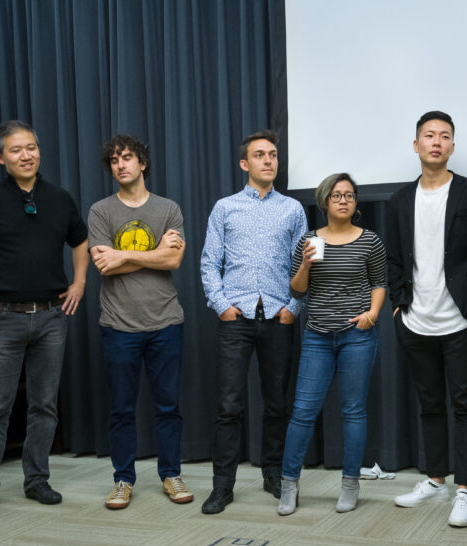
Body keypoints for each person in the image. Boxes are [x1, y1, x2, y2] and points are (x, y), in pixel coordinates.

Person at [0, 120, 89, 519]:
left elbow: (80, 241)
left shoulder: (59, 198)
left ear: (38, 151)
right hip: (2, 319)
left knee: (44, 405)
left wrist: (78, 282)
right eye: (15, 150)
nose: (25, 155)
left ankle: (36, 479)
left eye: (31, 148)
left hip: (50, 317)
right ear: (1, 158)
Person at [385, 111, 467, 527]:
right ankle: (435, 480)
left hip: (461, 319)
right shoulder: (397, 201)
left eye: (445, 136)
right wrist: (397, 305)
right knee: (430, 404)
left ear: (452, 146)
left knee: (465, 404)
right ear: (416, 145)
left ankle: (464, 489)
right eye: (428, 135)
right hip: (414, 320)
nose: (436, 142)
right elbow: (393, 259)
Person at [199, 129, 308, 514]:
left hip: (278, 317)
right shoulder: (225, 207)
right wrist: (221, 305)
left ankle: (273, 474)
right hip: (236, 317)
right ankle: (222, 486)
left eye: (273, 154)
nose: (268, 160)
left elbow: (304, 265)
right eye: (260, 155)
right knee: (229, 405)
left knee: (277, 403)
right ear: (245, 164)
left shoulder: (293, 210)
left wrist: (293, 308)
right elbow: (210, 262)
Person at [88, 134, 191, 510]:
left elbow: (173, 262)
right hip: (118, 324)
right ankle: (122, 479)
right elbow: (103, 263)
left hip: (166, 322)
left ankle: (171, 474)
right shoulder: (100, 211)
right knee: (121, 407)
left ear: (142, 163)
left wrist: (122, 255)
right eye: (114, 160)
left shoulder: (169, 208)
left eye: (128, 157)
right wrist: (155, 252)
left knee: (168, 406)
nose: (121, 165)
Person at [277, 173, 386, 515]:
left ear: (355, 204)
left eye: (349, 196)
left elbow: (380, 282)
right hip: (317, 336)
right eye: (337, 195)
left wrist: (372, 314)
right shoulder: (309, 240)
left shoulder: (370, 241)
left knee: (353, 411)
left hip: (357, 336)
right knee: (303, 412)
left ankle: (350, 484)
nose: (343, 200)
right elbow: (297, 290)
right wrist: (307, 262)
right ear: (325, 202)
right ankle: (289, 485)